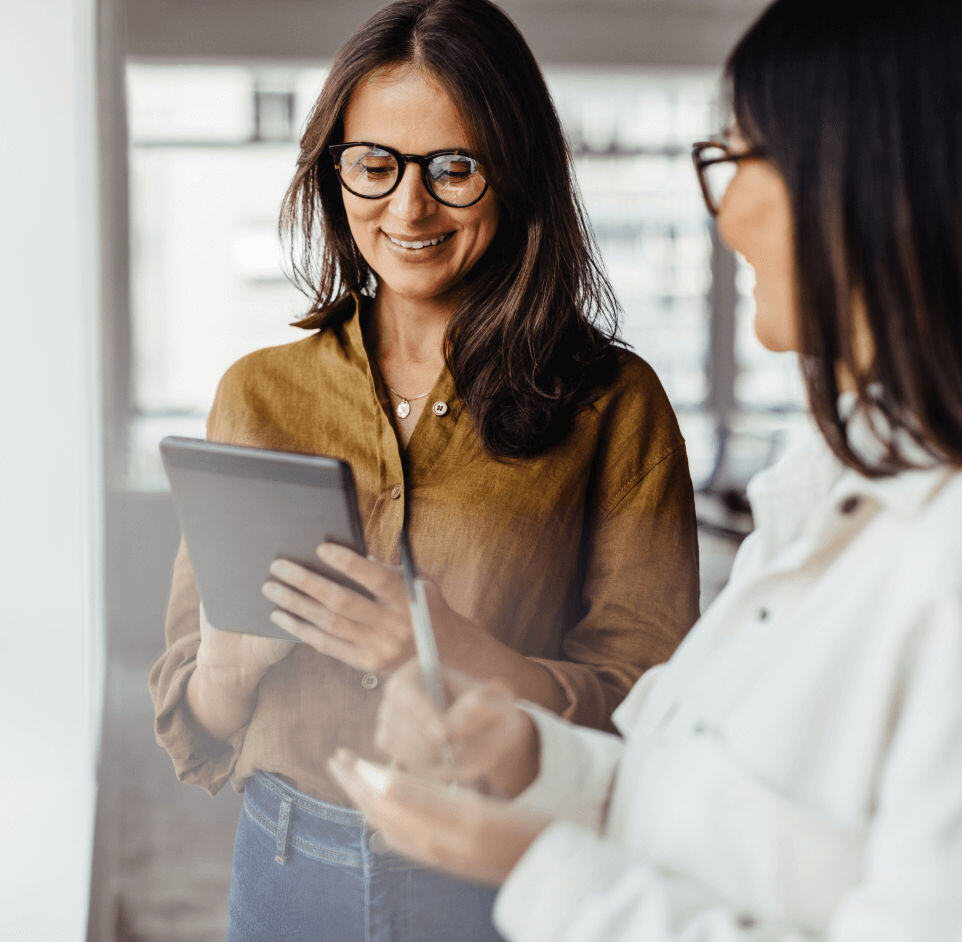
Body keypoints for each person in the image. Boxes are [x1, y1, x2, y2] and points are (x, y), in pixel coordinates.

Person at [328, 1, 962, 939]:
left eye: (743, 153)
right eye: (376, 165)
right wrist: (530, 756)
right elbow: (691, 795)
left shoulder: (937, 565)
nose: (725, 205)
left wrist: (542, 871)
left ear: (877, 183)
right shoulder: (819, 495)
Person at [148, 0, 700, 939]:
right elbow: (190, 722)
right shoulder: (258, 393)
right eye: (375, 166)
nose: (408, 208)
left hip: (499, 875)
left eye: (455, 168)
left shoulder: (615, 404)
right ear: (334, 174)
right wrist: (230, 672)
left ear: (517, 174)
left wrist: (445, 651)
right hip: (282, 867)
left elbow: (658, 715)